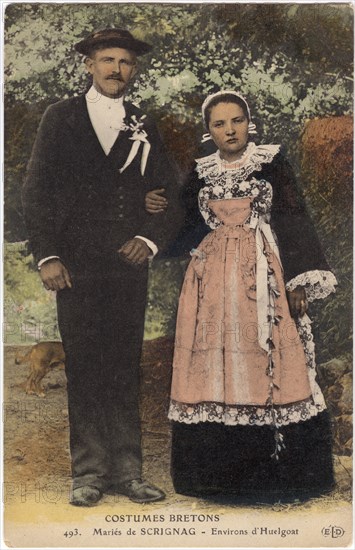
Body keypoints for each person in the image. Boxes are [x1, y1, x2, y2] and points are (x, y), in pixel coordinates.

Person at [147, 90, 337, 502]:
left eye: (236, 121)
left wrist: (299, 281)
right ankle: (216, 478)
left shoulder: (270, 162)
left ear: (249, 123)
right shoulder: (201, 172)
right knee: (212, 362)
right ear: (209, 131)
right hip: (210, 278)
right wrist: (153, 208)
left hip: (262, 272)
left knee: (270, 359)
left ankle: (281, 477)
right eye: (219, 123)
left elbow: (293, 216)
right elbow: (181, 230)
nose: (229, 130)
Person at [22, 28, 179, 506]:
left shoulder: (143, 123)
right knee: (86, 366)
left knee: (123, 366)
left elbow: (169, 195)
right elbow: (37, 191)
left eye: (126, 62)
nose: (117, 70)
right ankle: (88, 473)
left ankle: (129, 472)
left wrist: (149, 238)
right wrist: (47, 255)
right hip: (74, 266)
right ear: (89, 65)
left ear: (134, 70)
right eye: (107, 60)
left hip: (128, 266)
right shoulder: (60, 118)